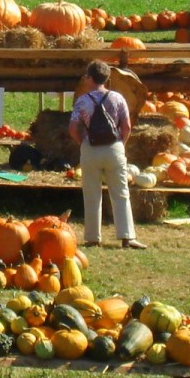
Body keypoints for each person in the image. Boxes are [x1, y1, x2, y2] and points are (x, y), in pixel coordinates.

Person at [68, 60, 146, 249]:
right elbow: (126, 126)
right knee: (120, 192)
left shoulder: (82, 101)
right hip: (114, 148)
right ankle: (127, 236)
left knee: (92, 194)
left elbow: (72, 128)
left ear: (89, 78)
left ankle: (93, 238)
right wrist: (120, 143)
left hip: (90, 148)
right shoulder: (117, 98)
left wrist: (82, 142)